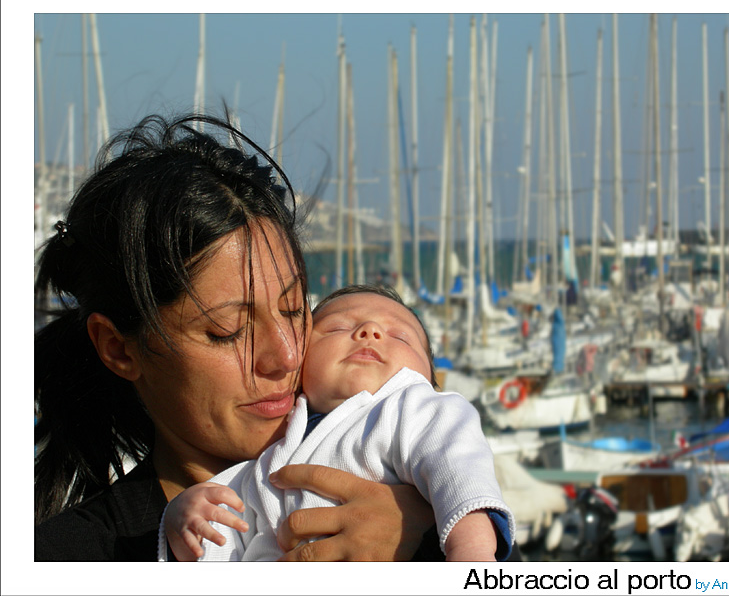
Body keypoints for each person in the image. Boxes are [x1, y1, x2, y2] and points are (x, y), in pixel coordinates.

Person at [33, 113, 436, 561]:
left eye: (293, 309)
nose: (285, 356)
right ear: (118, 348)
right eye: (227, 331)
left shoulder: (432, 513)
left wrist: (426, 536)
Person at [161, 284, 515, 561]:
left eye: (400, 336)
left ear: (430, 378)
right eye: (338, 328)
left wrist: (470, 552)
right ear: (299, 363)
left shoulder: (415, 408)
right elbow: (235, 524)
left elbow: (461, 472)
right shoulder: (280, 446)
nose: (370, 331)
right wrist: (186, 519)